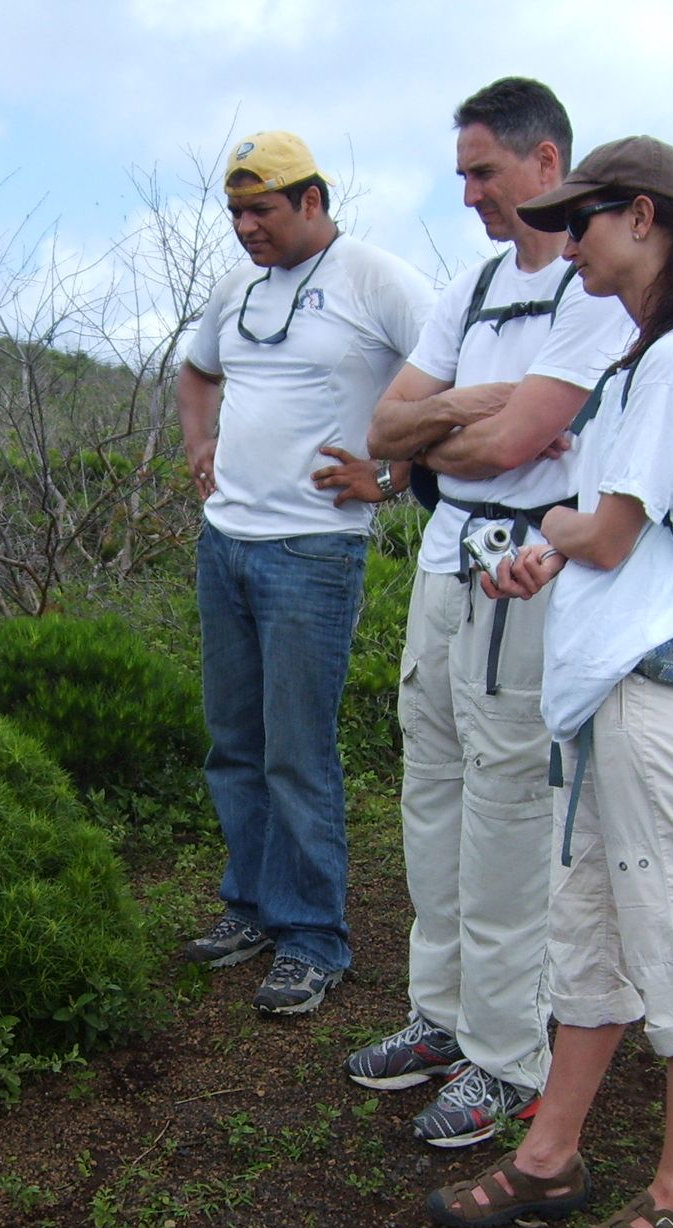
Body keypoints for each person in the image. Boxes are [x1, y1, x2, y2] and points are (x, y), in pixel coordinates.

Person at [424, 138, 673, 1228]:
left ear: (648, 219)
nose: (567, 241)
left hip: (651, 697)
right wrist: (549, 556)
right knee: (594, 933)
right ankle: (553, 1154)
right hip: (609, 691)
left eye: (586, 219)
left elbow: (608, 531)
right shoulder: (637, 366)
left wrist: (558, 533)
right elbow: (619, 539)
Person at [347, 79, 633, 1147]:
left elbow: (524, 448)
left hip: (525, 567)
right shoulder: (469, 288)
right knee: (430, 782)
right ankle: (441, 1014)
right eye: (463, 173)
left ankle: (507, 1056)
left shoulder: (593, 288)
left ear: (547, 165)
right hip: (442, 557)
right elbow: (386, 429)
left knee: (510, 799)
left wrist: (456, 425)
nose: (470, 193)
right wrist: (471, 409)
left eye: (485, 172)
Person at [178, 132, 432, 1015]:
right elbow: (197, 368)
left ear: (312, 201)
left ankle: (313, 936)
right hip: (227, 543)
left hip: (313, 552)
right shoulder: (236, 287)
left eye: (264, 210)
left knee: (297, 749)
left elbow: (454, 375)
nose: (248, 227)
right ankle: (250, 904)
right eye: (237, 212)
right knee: (234, 742)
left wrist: (394, 477)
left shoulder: (375, 278)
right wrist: (198, 440)